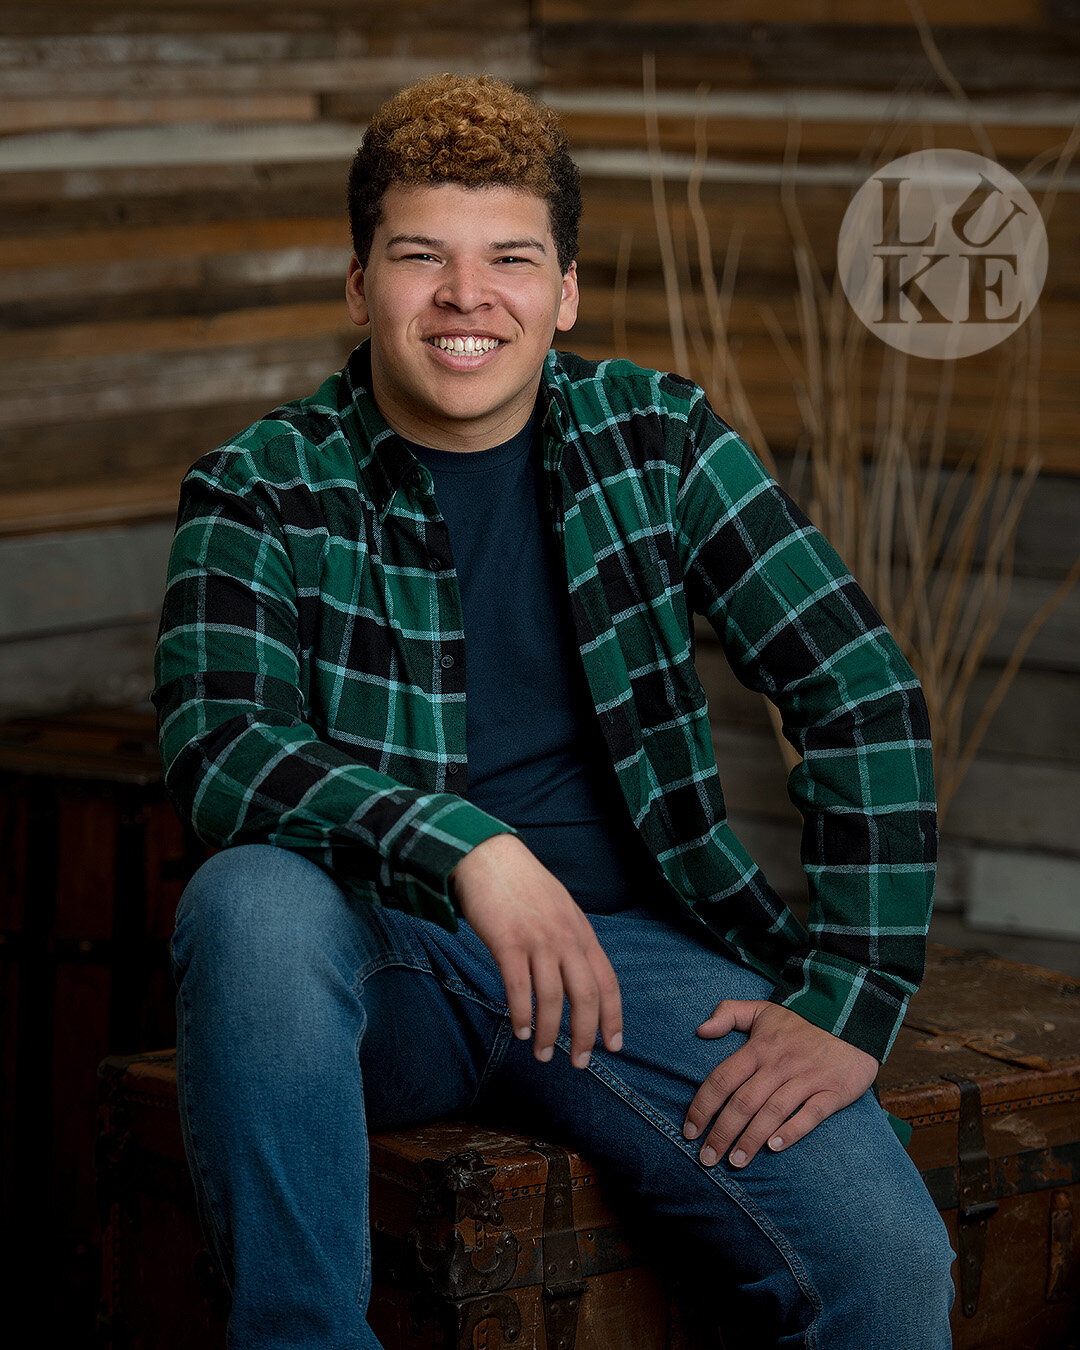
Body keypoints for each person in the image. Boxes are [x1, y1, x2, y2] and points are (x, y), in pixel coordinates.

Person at [153, 72, 956, 1349]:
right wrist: (470, 846)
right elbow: (221, 748)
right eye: (421, 257)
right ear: (361, 289)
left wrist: (852, 991)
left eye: (510, 259)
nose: (466, 296)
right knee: (247, 898)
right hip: (384, 969)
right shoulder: (261, 489)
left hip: (631, 967)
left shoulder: (659, 438)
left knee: (887, 1270)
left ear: (564, 292)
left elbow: (858, 685)